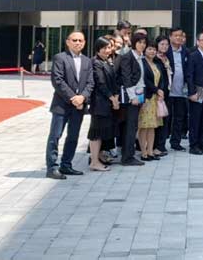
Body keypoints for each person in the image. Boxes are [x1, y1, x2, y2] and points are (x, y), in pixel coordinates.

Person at [45, 31, 94, 179]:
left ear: (84, 43)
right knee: (55, 136)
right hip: (62, 105)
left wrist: (82, 97)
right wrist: (73, 98)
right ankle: (52, 167)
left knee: (73, 136)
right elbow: (57, 81)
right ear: (67, 42)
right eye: (74, 40)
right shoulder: (60, 58)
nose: (78, 43)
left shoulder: (87, 61)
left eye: (80, 40)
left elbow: (90, 83)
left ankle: (66, 165)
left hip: (79, 106)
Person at [116, 31, 148, 166]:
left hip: (139, 95)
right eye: (139, 42)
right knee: (130, 126)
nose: (142, 45)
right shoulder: (128, 57)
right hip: (130, 98)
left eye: (144, 43)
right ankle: (127, 157)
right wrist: (133, 97)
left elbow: (141, 79)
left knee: (133, 126)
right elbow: (126, 78)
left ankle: (128, 154)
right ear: (134, 43)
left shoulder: (141, 57)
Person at [88, 37, 119, 172]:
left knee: (104, 131)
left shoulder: (106, 61)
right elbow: (100, 83)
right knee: (96, 132)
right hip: (99, 103)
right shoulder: (95, 62)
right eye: (104, 48)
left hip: (108, 102)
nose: (107, 50)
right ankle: (94, 161)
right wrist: (113, 98)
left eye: (109, 47)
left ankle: (99, 156)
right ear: (98, 48)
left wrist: (116, 96)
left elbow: (113, 81)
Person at [138, 40, 167, 161]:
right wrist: (156, 90)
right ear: (145, 50)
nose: (152, 51)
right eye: (150, 49)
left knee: (152, 126)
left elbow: (162, 79)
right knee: (144, 126)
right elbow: (145, 80)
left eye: (154, 49)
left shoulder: (156, 63)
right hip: (147, 97)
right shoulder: (142, 63)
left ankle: (150, 151)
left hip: (156, 99)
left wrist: (161, 90)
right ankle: (143, 152)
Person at [167, 27, 189, 152]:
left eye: (180, 35)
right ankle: (160, 144)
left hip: (181, 90)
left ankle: (176, 142)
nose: (178, 38)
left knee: (179, 117)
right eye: (176, 35)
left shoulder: (186, 51)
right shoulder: (166, 51)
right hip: (168, 91)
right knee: (166, 117)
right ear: (170, 37)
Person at [154, 35, 172, 157]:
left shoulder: (166, 58)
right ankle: (155, 146)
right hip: (158, 93)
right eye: (162, 44)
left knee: (165, 118)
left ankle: (161, 145)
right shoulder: (155, 59)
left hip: (168, 92)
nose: (165, 46)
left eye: (166, 44)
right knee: (158, 120)